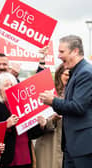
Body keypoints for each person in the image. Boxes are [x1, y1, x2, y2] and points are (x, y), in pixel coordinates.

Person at [39, 35, 92, 168]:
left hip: (83, 146)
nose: (58, 56)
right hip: (72, 145)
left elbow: (78, 106)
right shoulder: (76, 72)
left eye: (62, 52)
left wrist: (53, 101)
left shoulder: (85, 73)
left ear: (75, 51)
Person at [0, 72, 46, 168]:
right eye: (6, 85)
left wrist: (41, 125)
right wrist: (5, 125)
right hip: (7, 158)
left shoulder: (23, 106)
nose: (10, 87)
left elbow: (32, 134)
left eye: (12, 85)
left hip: (25, 156)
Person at [35, 63, 69, 168]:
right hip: (50, 144)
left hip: (70, 147)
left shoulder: (77, 94)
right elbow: (40, 120)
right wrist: (52, 120)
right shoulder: (49, 93)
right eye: (67, 74)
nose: (70, 77)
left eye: (72, 74)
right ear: (59, 74)